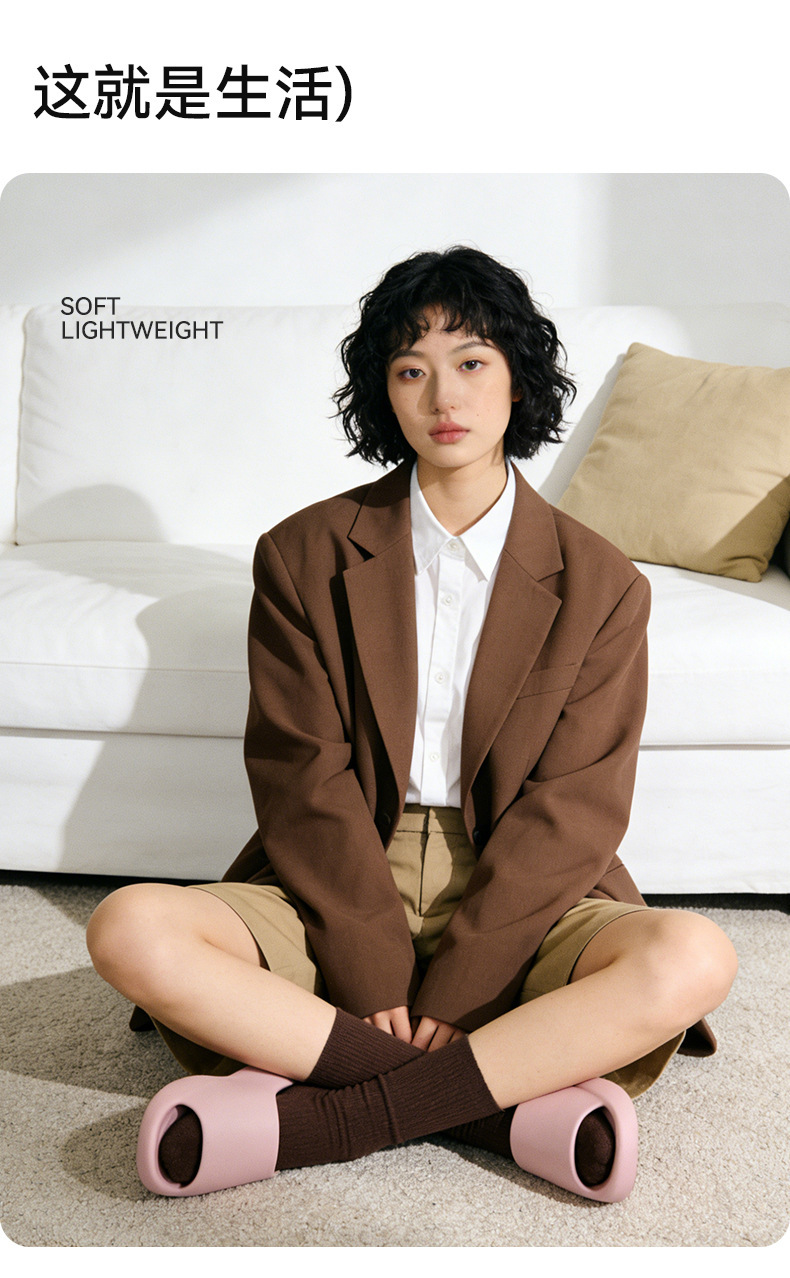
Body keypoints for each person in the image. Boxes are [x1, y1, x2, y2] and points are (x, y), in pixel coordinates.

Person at [86, 246, 737, 1203]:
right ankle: (490, 1109)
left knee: (695, 957)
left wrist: (463, 980)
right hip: (338, 867)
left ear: (519, 378)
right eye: (410, 369)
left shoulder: (603, 583)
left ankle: (329, 1115)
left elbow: (574, 806)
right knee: (128, 928)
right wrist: (372, 967)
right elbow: (301, 775)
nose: (444, 396)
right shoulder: (302, 553)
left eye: (472, 362)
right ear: (383, 393)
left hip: (527, 882)